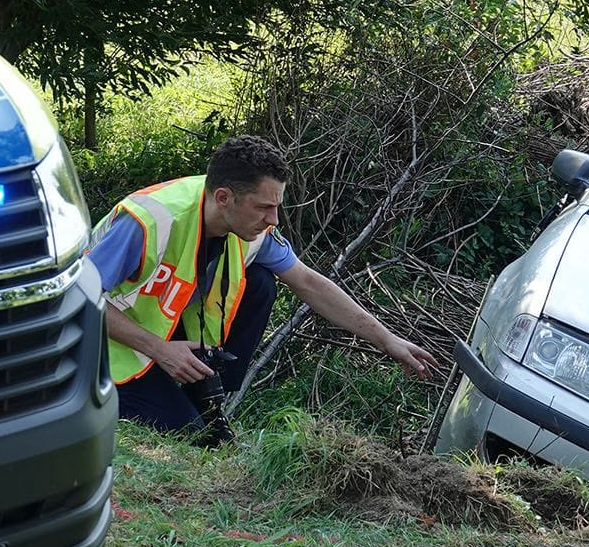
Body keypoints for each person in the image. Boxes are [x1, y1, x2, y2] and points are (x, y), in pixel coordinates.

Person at [86, 134, 440, 439]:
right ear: (223, 197)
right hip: (103, 352)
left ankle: (209, 398)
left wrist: (388, 340)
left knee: (259, 283)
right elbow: (78, 300)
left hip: (163, 338)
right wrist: (161, 350)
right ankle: (178, 406)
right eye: (263, 208)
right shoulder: (151, 221)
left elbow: (309, 283)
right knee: (192, 438)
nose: (273, 220)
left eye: (276, 207)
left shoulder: (249, 228)